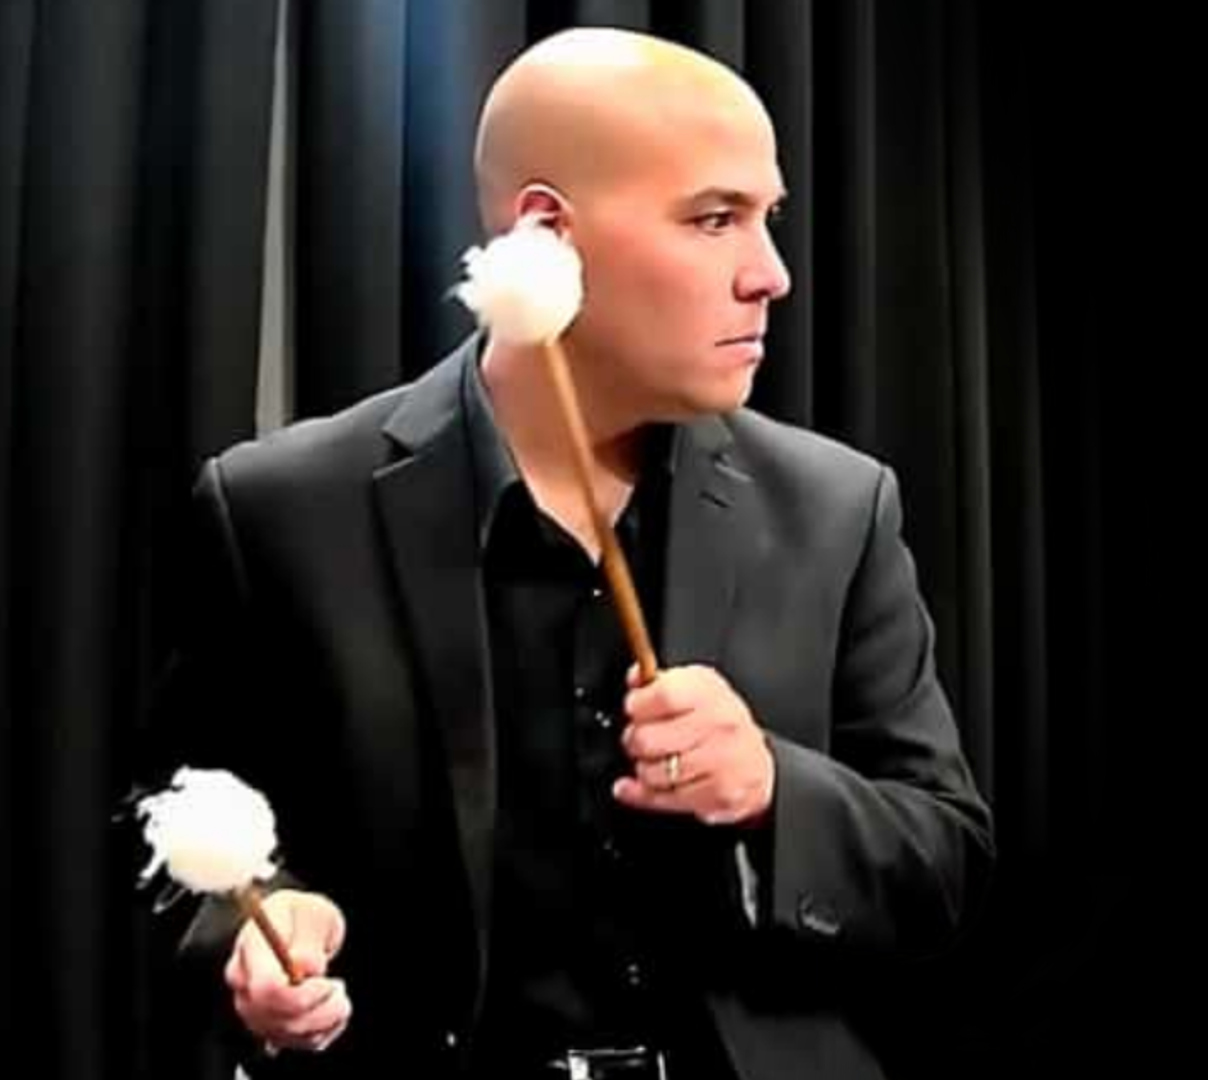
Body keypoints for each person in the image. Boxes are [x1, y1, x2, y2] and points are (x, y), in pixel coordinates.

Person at [139, 27, 993, 1080]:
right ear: (544, 231)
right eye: (714, 219)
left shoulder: (836, 508)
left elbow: (945, 864)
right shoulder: (280, 509)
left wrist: (772, 786)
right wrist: (254, 931)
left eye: (767, 220)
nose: (770, 276)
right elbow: (174, 839)